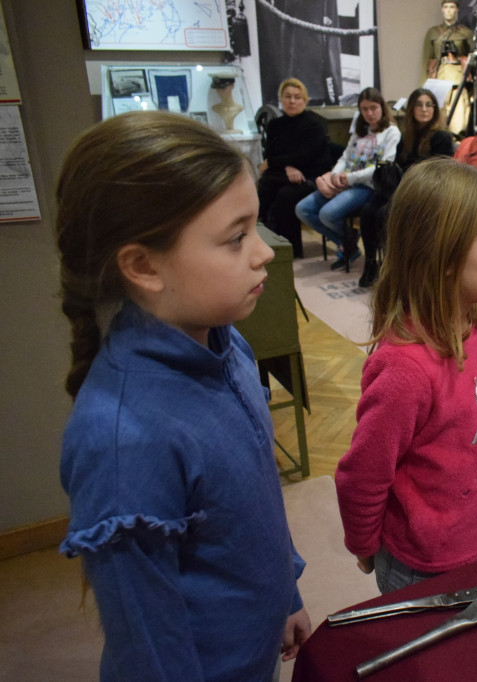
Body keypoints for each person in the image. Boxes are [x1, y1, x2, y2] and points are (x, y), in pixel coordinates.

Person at [55, 111, 310, 680]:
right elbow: (148, 648)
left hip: (256, 648)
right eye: (235, 237)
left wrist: (284, 592)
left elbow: (252, 498)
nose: (264, 251)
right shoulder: (125, 441)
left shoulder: (227, 340)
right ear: (144, 265)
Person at [336, 157, 477, 594]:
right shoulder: (405, 370)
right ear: (444, 254)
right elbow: (364, 472)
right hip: (423, 564)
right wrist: (363, 542)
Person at [357, 87, 456, 288]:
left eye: (429, 105)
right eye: (419, 104)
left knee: (388, 214)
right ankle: (371, 263)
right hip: (403, 189)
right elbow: (399, 167)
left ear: (436, 110)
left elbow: (442, 174)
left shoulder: (442, 137)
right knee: (368, 211)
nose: (424, 109)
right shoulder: (407, 136)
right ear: (411, 109)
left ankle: (398, 268)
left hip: (429, 193)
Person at [295, 87, 400, 270]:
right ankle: (348, 241)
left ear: (382, 108)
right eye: (364, 109)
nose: (369, 113)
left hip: (367, 186)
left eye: (373, 108)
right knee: (302, 209)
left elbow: (382, 166)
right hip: (345, 183)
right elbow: (345, 157)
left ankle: (348, 245)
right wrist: (335, 175)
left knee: (327, 214)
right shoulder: (360, 131)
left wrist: (349, 178)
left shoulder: (391, 132)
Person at [257, 77, 332, 258]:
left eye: (297, 97)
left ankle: (291, 249)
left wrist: (279, 163)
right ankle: (266, 241)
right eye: (287, 96)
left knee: (286, 195)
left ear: (304, 100)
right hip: (284, 174)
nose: (292, 101)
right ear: (281, 99)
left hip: (311, 175)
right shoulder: (275, 125)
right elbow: (270, 152)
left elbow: (306, 156)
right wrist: (288, 167)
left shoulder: (315, 123)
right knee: (265, 185)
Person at [423, 0, 475, 134]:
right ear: (442, 9)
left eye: (452, 7)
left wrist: (473, 89)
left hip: (458, 79)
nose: (449, 10)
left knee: (459, 117)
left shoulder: (465, 33)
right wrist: (425, 85)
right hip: (439, 79)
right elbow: (427, 59)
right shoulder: (433, 32)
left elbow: (473, 60)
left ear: (457, 10)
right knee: (438, 118)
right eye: (446, 7)